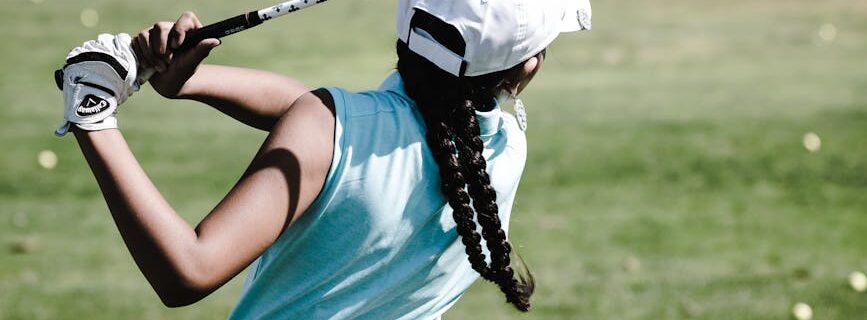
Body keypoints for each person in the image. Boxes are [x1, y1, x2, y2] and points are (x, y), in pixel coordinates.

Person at [53, 0, 591, 318]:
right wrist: (191, 83)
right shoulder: (500, 146)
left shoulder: (331, 126)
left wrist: (93, 113)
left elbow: (187, 273)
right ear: (523, 70)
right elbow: (318, 117)